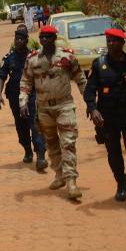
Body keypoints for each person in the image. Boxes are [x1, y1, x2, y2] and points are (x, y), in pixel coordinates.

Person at [84, 27, 126, 213]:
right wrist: (93, 109)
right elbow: (89, 91)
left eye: (115, 41)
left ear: (122, 43)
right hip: (108, 119)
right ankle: (121, 184)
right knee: (114, 155)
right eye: (108, 41)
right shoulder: (99, 65)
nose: (111, 44)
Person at [19, 25, 87, 200]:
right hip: (44, 108)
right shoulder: (33, 59)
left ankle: (72, 181)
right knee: (51, 142)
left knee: (68, 143)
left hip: (64, 105)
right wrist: (23, 102)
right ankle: (59, 174)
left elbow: (80, 79)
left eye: (48, 37)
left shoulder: (67, 56)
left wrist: (90, 103)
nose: (44, 40)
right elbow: (26, 82)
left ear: (54, 38)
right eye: (42, 37)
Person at [0, 29, 48, 169]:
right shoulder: (9, 58)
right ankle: (27, 150)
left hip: (32, 95)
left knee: (35, 124)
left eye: (21, 39)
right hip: (14, 96)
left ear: (26, 41)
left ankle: (41, 155)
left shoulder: (34, 57)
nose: (18, 41)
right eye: (16, 39)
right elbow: (1, 76)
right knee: (21, 126)